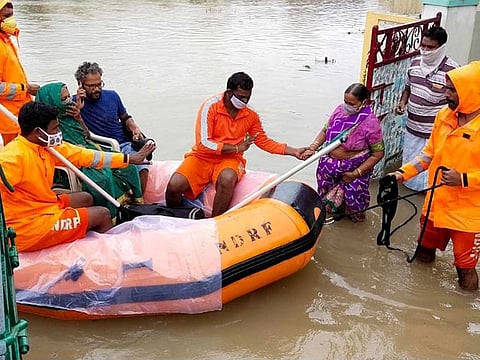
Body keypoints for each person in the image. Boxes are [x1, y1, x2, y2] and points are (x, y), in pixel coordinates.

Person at [0, 101, 155, 252]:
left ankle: (84, 236)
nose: (58, 133)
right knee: (102, 214)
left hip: (42, 204)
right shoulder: (13, 158)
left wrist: (128, 159)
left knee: (86, 198)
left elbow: (84, 156)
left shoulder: (45, 147)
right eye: (55, 129)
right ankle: (111, 258)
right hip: (27, 225)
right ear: (38, 132)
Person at [165, 71, 306, 217]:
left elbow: (263, 141)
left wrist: (294, 151)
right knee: (174, 186)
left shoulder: (250, 115)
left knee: (227, 179)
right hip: (203, 156)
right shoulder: (210, 106)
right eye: (241, 97)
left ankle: (215, 222)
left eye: (247, 98)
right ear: (228, 93)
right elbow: (203, 144)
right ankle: (176, 217)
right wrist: (237, 147)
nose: (244, 102)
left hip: (231, 159)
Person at [392, 61, 480, 291]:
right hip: (435, 203)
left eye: (452, 90)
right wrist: (403, 174)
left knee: (465, 269)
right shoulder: (445, 115)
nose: (446, 94)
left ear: (471, 91)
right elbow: (429, 154)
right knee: (422, 254)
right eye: (446, 88)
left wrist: (464, 179)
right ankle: (418, 295)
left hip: (468, 213)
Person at [35, 82, 144, 217]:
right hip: (72, 162)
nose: (69, 101)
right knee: (102, 178)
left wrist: (78, 117)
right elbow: (65, 152)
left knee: (129, 167)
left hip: (87, 149)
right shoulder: (47, 127)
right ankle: (111, 214)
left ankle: (134, 205)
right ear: (52, 102)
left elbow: (86, 136)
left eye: (69, 97)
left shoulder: (70, 115)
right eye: (64, 99)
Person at [301, 83, 384, 223]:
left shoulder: (370, 123)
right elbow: (325, 131)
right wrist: (313, 147)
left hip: (354, 168)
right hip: (329, 167)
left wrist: (355, 173)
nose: (347, 106)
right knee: (325, 202)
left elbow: (378, 153)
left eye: (351, 103)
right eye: (345, 101)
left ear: (364, 102)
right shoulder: (339, 111)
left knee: (355, 205)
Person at [396, 26, 459, 191]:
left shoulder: (453, 71)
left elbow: (458, 102)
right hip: (412, 127)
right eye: (422, 46)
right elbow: (408, 88)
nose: (424, 50)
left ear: (441, 47)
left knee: (430, 172)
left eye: (430, 47)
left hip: (435, 131)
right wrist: (403, 103)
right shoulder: (414, 64)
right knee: (411, 167)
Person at [73, 61, 151, 193]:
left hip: (123, 143)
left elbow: (125, 117)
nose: (97, 89)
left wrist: (134, 128)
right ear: (80, 85)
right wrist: (78, 112)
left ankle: (140, 200)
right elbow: (82, 134)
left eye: (99, 84)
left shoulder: (112, 95)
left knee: (142, 167)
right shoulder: (74, 104)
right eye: (91, 86)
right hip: (100, 148)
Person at [0, 0, 39, 145]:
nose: (10, 20)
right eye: (6, 16)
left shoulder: (6, 40)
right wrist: (25, 88)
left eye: (11, 15)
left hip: (19, 115)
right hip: (8, 119)